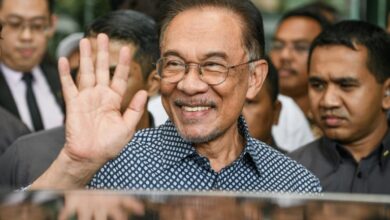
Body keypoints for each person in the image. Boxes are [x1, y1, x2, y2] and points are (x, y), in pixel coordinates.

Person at [31, 0, 321, 192]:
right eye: (174, 64)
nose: (190, 84)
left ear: (255, 78)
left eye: (213, 65)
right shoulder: (108, 167)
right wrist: (74, 165)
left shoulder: (295, 186)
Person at [0, 10, 159, 189]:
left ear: (153, 83)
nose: (98, 85)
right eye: (88, 70)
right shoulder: (26, 155)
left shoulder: (179, 158)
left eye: (114, 74)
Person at [289, 20, 390, 194]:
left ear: (387, 94)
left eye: (346, 85)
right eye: (318, 85)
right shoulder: (287, 173)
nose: (328, 101)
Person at [0, 0, 64, 132]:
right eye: (14, 24)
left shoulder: (64, 78)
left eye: (37, 25)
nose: (26, 36)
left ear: (52, 25)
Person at [269, 7, 330, 139]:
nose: (285, 56)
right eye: (278, 46)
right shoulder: (250, 116)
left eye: (300, 47)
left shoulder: (333, 119)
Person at [242, 57, 284, 153]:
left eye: (249, 102)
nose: (236, 113)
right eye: (231, 100)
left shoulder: (292, 167)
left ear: (276, 112)